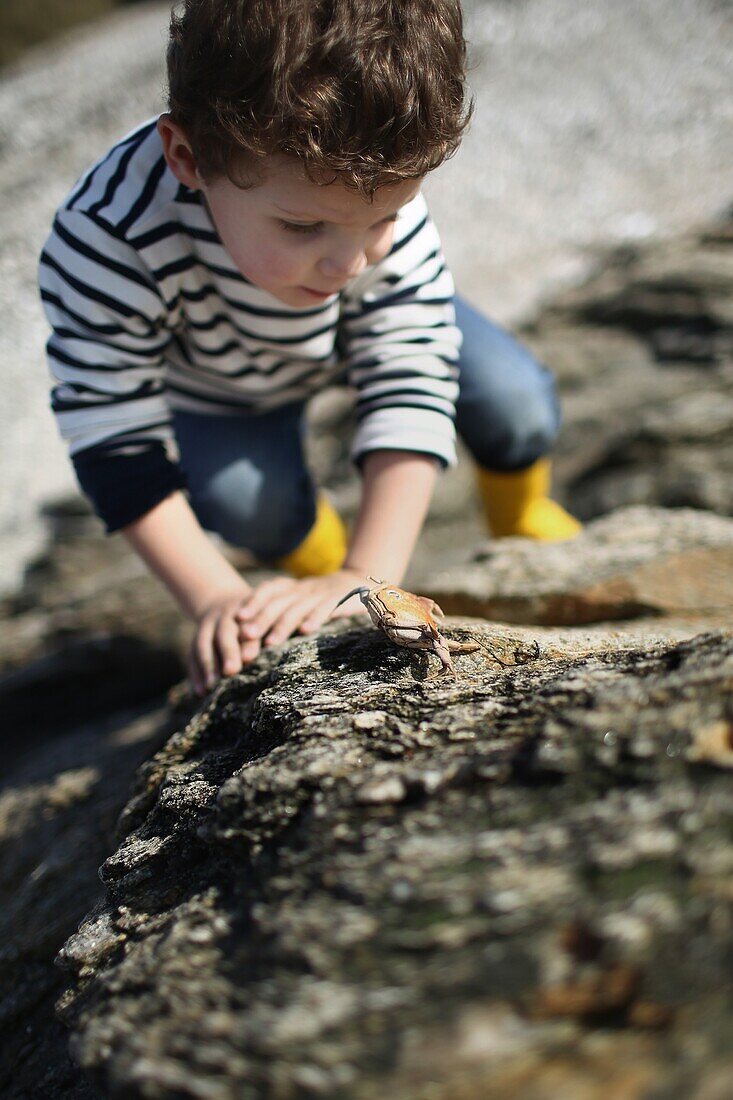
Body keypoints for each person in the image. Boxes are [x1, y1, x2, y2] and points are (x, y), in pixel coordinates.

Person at [39, 0, 579, 695]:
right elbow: (110, 429)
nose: (349, 262)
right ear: (188, 157)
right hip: (226, 381)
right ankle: (314, 563)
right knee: (245, 502)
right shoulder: (107, 234)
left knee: (515, 399)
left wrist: (370, 574)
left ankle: (519, 518)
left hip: (359, 331)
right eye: (301, 226)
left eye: (384, 217)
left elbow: (409, 368)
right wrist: (215, 598)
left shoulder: (360, 185)